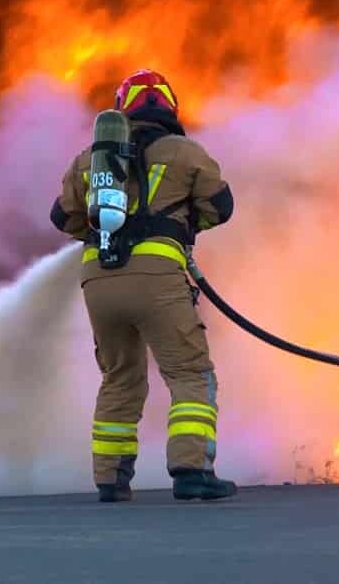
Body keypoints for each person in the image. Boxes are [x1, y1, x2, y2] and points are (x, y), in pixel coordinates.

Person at [50, 69, 238, 503]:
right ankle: (192, 472)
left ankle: (111, 480)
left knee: (120, 377)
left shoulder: (89, 161)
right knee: (190, 373)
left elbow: (63, 219)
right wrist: (183, 225)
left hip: (98, 280)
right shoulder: (186, 152)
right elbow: (221, 207)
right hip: (157, 277)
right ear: (170, 108)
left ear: (122, 109)